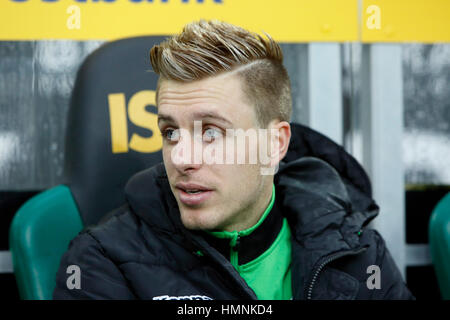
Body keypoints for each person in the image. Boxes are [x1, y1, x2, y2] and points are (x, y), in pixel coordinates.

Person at [53, 20, 414, 300]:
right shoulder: (101, 262)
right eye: (170, 132)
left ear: (275, 144)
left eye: (211, 132)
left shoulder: (357, 251)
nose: (181, 158)